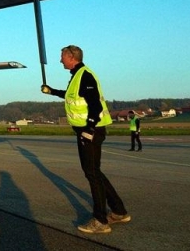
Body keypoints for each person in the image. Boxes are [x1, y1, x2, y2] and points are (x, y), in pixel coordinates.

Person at [41, 45, 130, 234]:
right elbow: (71, 97)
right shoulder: (77, 75)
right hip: (87, 131)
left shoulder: (85, 75)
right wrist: (52, 92)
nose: (60, 60)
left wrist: (88, 130)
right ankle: (119, 211)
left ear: (72, 57)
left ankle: (100, 221)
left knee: (92, 174)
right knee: (94, 172)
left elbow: (95, 106)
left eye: (62, 57)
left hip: (90, 132)